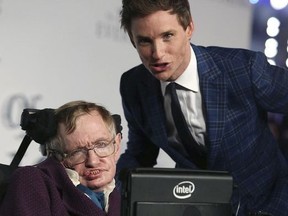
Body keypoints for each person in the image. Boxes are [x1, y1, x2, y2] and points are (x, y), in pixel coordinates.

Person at [116, 0, 288, 215]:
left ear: (189, 28)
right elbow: (140, 155)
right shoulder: (133, 85)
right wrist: (106, 191)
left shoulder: (243, 68)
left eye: (167, 36)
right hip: (196, 208)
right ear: (133, 40)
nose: (157, 53)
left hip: (270, 204)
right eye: (144, 41)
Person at [0, 100, 122, 216]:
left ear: (117, 145)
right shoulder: (31, 181)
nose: (93, 161)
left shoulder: (122, 192)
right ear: (57, 155)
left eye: (101, 145)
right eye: (77, 152)